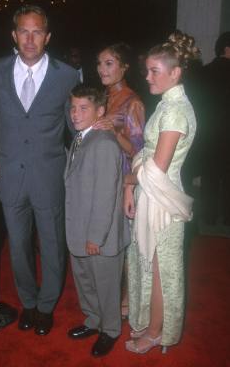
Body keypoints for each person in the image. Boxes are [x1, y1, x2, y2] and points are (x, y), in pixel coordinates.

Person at [0, 5, 79, 335]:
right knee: (18, 245)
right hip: (9, 175)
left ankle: (46, 306)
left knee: (51, 245)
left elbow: (74, 126)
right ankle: (29, 303)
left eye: (37, 32)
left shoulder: (67, 74)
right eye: (24, 31)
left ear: (47, 37)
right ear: (14, 35)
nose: (30, 38)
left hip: (49, 176)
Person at [124, 31, 200, 354]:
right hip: (152, 195)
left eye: (155, 70)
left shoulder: (175, 111)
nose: (147, 76)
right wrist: (136, 176)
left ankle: (157, 333)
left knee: (161, 271)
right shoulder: (167, 104)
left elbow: (155, 169)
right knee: (150, 264)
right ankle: (151, 325)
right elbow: (149, 156)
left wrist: (130, 178)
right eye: (147, 70)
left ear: (176, 73)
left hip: (162, 201)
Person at [65, 85, 130, 357]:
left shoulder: (103, 143)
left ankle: (111, 330)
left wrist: (95, 236)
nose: (75, 114)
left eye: (83, 108)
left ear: (100, 111)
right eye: (72, 108)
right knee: (85, 281)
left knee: (105, 284)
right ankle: (93, 321)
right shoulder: (81, 137)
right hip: (78, 227)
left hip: (99, 234)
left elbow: (104, 195)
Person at [94, 42, 145, 319]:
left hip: (123, 182)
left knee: (124, 244)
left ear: (124, 67)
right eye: (100, 63)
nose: (102, 68)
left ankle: (125, 300)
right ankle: (109, 295)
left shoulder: (133, 102)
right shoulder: (103, 96)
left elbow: (139, 153)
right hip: (103, 180)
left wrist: (113, 133)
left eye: (109, 63)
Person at [200, 32, 230, 226]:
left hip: (208, 133)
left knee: (209, 177)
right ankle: (227, 219)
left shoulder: (204, 71)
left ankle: (208, 217)